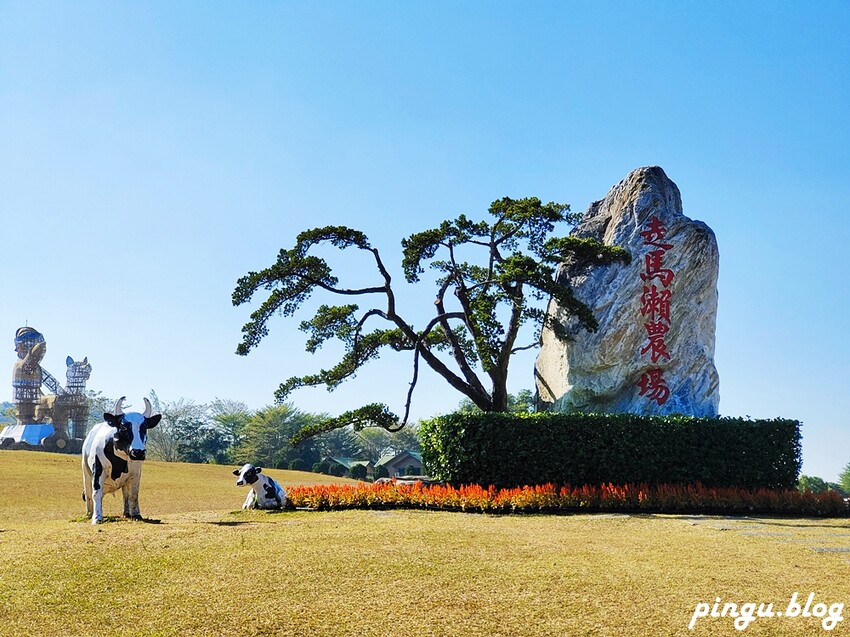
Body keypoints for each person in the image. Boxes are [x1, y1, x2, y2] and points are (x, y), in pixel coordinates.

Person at [12, 327, 46, 426]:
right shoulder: (20, 366)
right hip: (23, 403)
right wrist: (37, 349)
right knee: (25, 415)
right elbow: (30, 360)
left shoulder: (36, 368)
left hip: (34, 399)